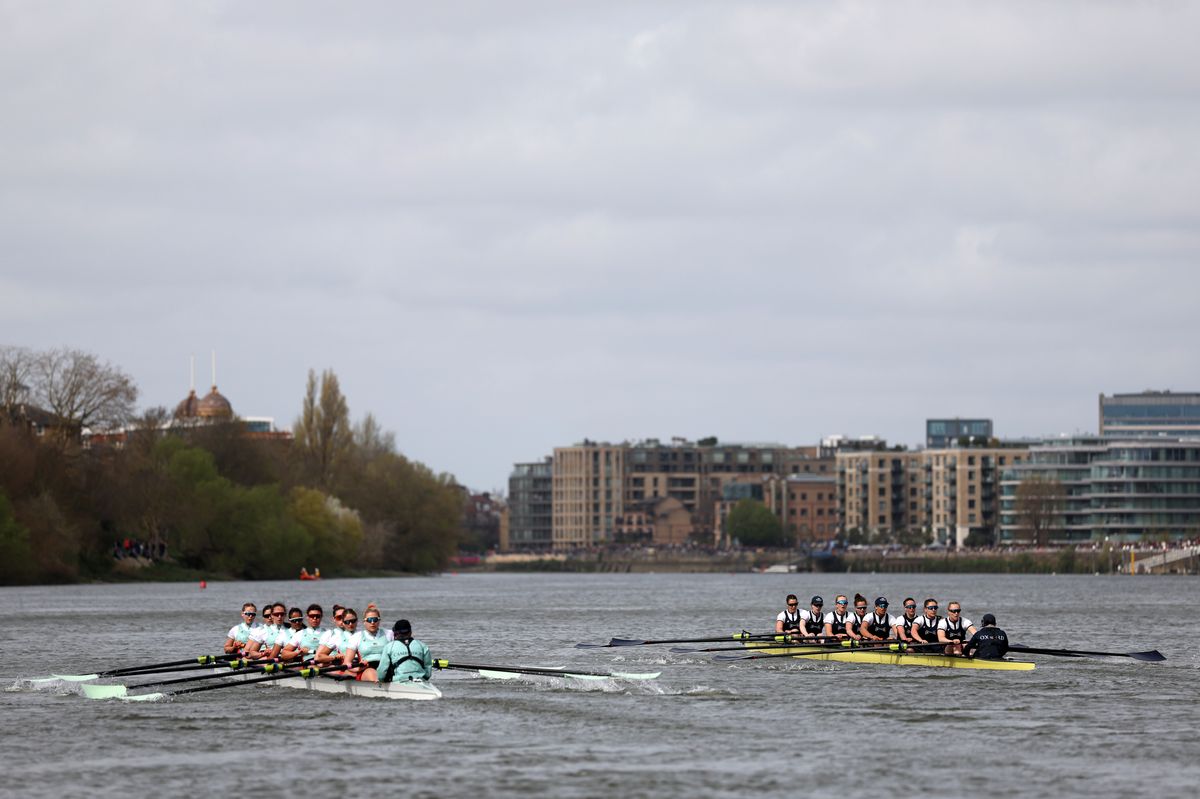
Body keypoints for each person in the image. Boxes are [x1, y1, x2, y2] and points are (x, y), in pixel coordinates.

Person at [377, 619, 432, 684]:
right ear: (410, 632)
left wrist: (382, 681)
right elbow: (428, 673)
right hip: (420, 681)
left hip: (399, 682)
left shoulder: (389, 647)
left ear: (395, 633)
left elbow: (381, 673)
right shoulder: (422, 645)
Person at [343, 609, 390, 680]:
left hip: (386, 667)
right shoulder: (356, 637)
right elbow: (346, 663)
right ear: (364, 622)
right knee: (372, 673)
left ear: (379, 621)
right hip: (367, 669)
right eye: (369, 620)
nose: (372, 622)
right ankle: (379, 686)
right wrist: (358, 669)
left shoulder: (389, 634)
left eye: (375, 619)